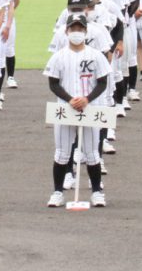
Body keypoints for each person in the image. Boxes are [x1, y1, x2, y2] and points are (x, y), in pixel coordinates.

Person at [43, 13, 111, 208]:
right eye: (73, 29)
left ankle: (97, 192)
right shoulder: (58, 57)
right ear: (66, 31)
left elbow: (102, 82)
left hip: (90, 108)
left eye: (80, 29)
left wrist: (86, 99)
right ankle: (57, 192)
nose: (76, 32)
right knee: (62, 153)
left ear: (85, 31)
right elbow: (53, 83)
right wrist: (70, 99)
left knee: (92, 153)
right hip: (65, 109)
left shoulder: (96, 55)